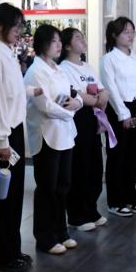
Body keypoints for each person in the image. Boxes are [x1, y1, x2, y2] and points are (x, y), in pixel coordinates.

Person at [0, 3, 37, 272]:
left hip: (12, 130)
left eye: (20, 26)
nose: (18, 31)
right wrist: (2, 141)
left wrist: (30, 91)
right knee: (1, 197)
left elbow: (12, 92)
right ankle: (1, 256)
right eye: (15, 25)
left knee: (13, 195)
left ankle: (12, 249)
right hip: (1, 133)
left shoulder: (7, 54)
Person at [25, 24, 82, 254]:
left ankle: (61, 231)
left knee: (63, 186)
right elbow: (45, 106)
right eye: (54, 41)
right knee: (47, 188)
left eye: (60, 41)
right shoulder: (35, 71)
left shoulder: (58, 69)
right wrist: (71, 112)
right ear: (42, 44)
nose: (59, 45)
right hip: (47, 136)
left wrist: (76, 104)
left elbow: (73, 94)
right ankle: (45, 236)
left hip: (65, 134)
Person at [100, 17, 136, 217]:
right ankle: (115, 201)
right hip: (118, 110)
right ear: (115, 35)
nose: (131, 36)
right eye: (126, 32)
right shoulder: (109, 59)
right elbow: (111, 88)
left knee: (135, 156)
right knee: (117, 156)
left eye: (132, 32)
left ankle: (131, 197)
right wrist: (123, 114)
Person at [58, 28, 109, 231]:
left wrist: (99, 99)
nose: (83, 40)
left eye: (83, 36)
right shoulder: (64, 68)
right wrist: (96, 100)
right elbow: (77, 95)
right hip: (77, 119)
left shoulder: (88, 67)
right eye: (78, 38)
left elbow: (102, 91)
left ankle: (91, 209)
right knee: (79, 166)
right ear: (67, 45)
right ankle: (76, 215)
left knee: (95, 165)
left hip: (93, 118)